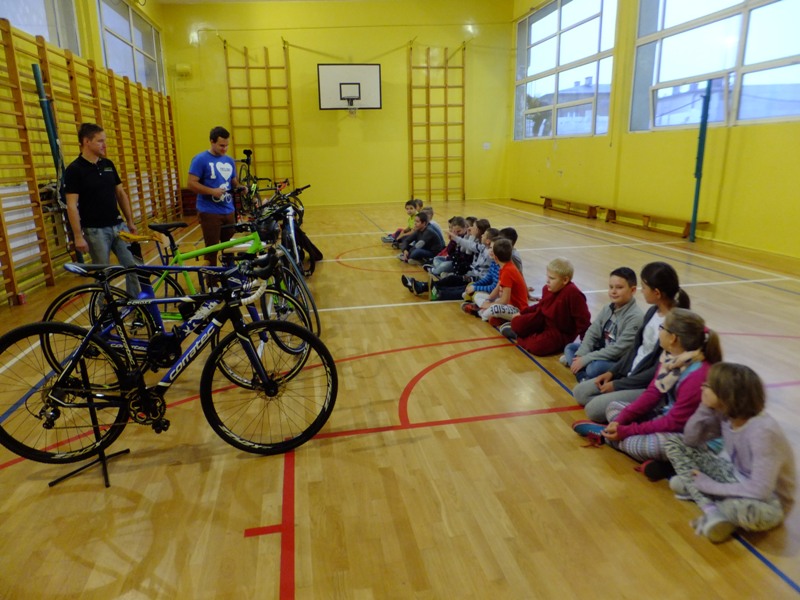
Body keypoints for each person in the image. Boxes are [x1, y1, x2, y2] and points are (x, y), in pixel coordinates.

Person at [573, 308, 723, 472]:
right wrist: (620, 422)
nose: (659, 332)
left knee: (655, 445)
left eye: (662, 328)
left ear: (673, 338)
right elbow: (652, 394)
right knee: (613, 407)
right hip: (670, 419)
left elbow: (675, 423)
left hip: (695, 439)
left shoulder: (697, 375)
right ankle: (658, 457)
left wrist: (626, 431)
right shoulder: (670, 358)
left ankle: (606, 437)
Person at [664, 363, 795, 544]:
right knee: (674, 442)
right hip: (735, 478)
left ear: (727, 395)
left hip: (768, 502)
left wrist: (709, 485)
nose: (702, 387)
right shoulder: (726, 416)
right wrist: (704, 407)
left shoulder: (763, 431)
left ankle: (710, 501)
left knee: (748, 512)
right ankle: (712, 509)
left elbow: (760, 490)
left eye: (708, 385)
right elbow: (690, 440)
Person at [573, 262, 691, 422]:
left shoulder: (673, 325)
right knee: (580, 392)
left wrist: (618, 385)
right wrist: (612, 373)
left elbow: (656, 372)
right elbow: (634, 349)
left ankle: (647, 411)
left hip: (646, 385)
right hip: (630, 374)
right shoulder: (652, 311)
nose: (642, 291)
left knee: (593, 409)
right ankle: (622, 408)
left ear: (656, 292)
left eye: (644, 287)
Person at [64, 123, 141, 296]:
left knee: (133, 267)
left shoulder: (108, 164)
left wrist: (130, 222)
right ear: (86, 141)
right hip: (95, 231)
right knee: (103, 275)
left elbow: (120, 194)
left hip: (119, 226)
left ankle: (136, 305)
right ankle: (103, 309)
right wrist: (78, 236)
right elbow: (71, 205)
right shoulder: (74, 170)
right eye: (100, 141)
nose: (104, 145)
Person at [561, 267, 643, 383]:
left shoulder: (635, 317)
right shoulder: (608, 308)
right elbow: (592, 332)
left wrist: (586, 358)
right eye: (611, 287)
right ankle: (582, 375)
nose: (613, 291)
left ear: (633, 290)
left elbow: (618, 350)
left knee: (594, 368)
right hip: (603, 350)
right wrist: (581, 355)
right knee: (570, 348)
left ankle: (579, 370)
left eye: (619, 287)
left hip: (618, 360)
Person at [498, 258, 591, 355]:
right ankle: (527, 334)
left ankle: (519, 337)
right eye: (547, 276)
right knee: (516, 323)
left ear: (565, 280)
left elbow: (583, 322)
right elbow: (540, 305)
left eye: (552, 278)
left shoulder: (573, 294)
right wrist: (521, 313)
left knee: (536, 346)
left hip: (559, 332)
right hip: (542, 319)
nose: (547, 281)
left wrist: (585, 347)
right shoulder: (547, 289)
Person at [188, 126, 243, 266]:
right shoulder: (200, 159)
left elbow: (233, 181)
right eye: (221, 145)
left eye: (227, 145)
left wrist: (241, 188)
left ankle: (230, 275)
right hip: (209, 211)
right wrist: (212, 191)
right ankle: (211, 278)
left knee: (229, 249)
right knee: (211, 250)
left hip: (228, 210)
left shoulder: (229, 161)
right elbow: (191, 183)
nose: (225, 149)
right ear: (212, 142)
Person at [471, 238, 528, 324]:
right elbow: (497, 288)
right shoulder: (505, 267)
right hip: (506, 304)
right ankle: (492, 315)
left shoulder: (508, 271)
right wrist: (488, 300)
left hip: (517, 309)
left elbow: (505, 300)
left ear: (495, 257)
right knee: (478, 296)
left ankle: (481, 313)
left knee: (493, 309)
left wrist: (489, 305)